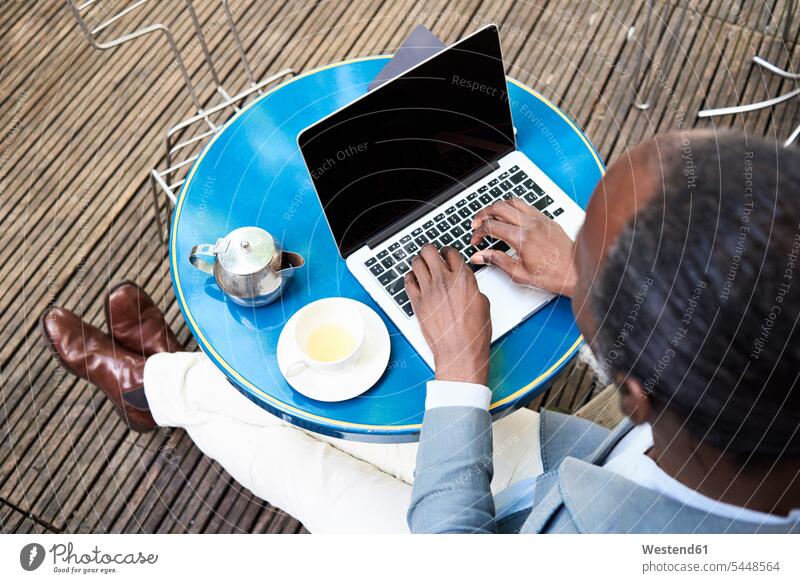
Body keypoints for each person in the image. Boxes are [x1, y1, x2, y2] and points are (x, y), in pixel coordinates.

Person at [42, 130, 800, 533]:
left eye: (593, 284)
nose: (578, 260)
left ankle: (154, 384)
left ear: (634, 390)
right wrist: (578, 273)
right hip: (573, 464)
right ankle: (169, 385)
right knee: (365, 419)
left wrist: (463, 368)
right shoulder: (752, 410)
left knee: (300, 456)